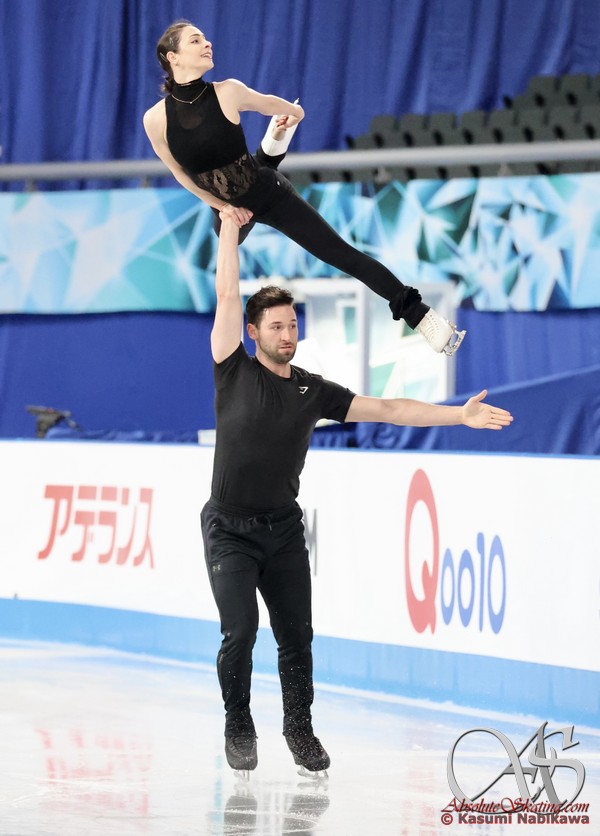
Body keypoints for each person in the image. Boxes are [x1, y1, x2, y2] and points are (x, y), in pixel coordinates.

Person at [201, 208, 513, 777]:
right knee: (240, 631)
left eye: (292, 325)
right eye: (276, 327)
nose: (288, 335)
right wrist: (228, 225)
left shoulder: (312, 391)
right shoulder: (232, 369)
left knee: (297, 636)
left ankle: (299, 728)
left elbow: (390, 408)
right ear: (253, 333)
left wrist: (459, 416)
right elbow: (226, 293)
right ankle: (238, 723)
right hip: (229, 529)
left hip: (282, 530)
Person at [143, 19, 466, 356]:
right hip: (226, 207)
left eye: (206, 38)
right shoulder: (155, 120)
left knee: (341, 254)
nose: (207, 43)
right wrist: (222, 207)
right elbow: (180, 174)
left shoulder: (228, 91)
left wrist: (293, 112)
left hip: (268, 193)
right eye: (196, 40)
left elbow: (273, 103)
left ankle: (423, 318)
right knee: (226, 272)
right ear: (172, 57)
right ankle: (269, 153)